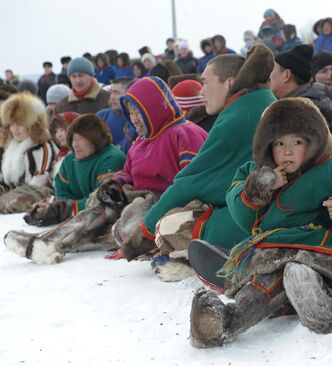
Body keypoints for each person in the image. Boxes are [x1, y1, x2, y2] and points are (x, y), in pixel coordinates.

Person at [189, 97, 332, 348]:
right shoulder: (253, 173)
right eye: (279, 143)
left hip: (327, 245)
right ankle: (225, 321)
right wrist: (260, 188)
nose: (288, 150)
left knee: (296, 270)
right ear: (267, 146)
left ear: (314, 142)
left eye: (297, 142)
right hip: (277, 251)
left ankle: (325, 308)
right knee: (267, 280)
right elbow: (241, 212)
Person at [4, 76, 207, 264]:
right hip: (135, 199)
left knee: (123, 226)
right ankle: (49, 241)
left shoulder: (183, 133)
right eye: (131, 113)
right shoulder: (141, 142)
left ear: (153, 107)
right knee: (98, 210)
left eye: (138, 111)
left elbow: (190, 181)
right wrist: (116, 182)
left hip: (165, 203)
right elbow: (128, 171)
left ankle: (55, 243)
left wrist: (156, 204)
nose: (134, 119)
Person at [121, 46, 277, 280]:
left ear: (229, 82)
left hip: (262, 217)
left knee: (169, 225)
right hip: (268, 206)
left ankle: (227, 257)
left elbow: (190, 181)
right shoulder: (257, 101)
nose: (201, 90)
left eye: (205, 82)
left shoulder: (236, 114)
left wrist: (143, 232)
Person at [23, 114, 126, 226]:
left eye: (80, 139)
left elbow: (104, 201)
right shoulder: (70, 160)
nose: (75, 145)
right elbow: (62, 192)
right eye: (72, 139)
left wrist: (62, 209)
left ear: (95, 139)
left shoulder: (112, 159)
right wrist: (54, 206)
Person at [0, 93, 58, 213]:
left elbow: (40, 180)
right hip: (14, 194)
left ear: (32, 126)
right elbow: (3, 181)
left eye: (20, 124)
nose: (15, 129)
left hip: (39, 193)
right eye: (12, 124)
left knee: (17, 201)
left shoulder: (43, 147)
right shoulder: (11, 148)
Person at [269, 44, 332, 119]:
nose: (269, 76)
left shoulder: (297, 111)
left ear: (286, 75)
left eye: (272, 71)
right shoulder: (316, 97)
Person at [96, 78, 137, 153]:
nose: (112, 97)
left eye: (116, 93)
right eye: (111, 92)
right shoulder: (101, 116)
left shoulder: (136, 120)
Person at [49, 112, 80, 178]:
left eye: (62, 130)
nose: (59, 135)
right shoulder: (61, 153)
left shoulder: (79, 154)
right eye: (56, 131)